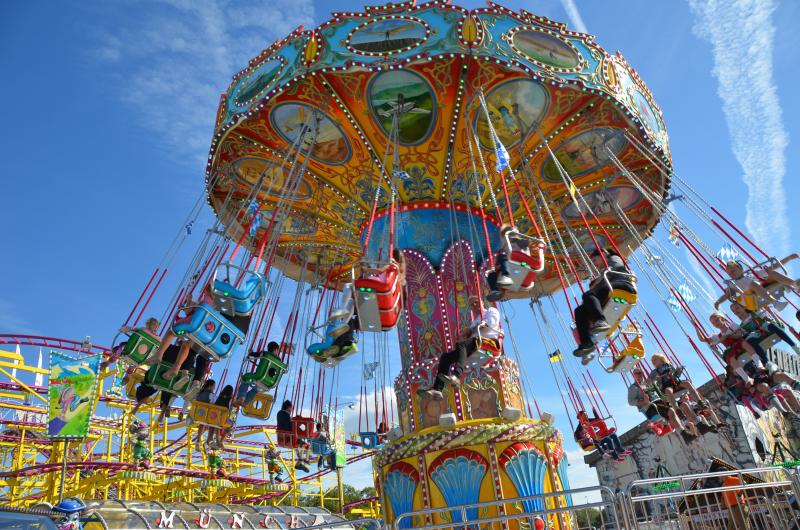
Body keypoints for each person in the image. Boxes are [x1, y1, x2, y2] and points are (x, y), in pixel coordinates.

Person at [417, 295, 502, 400]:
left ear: (481, 302)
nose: (474, 305)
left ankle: (456, 375)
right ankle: (437, 389)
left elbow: (491, 322)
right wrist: (465, 334)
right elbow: (470, 334)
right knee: (446, 357)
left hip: (489, 342)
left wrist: (472, 330)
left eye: (476, 302)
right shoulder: (475, 321)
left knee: (461, 345)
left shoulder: (490, 311)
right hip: (477, 343)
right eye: (471, 304)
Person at [573, 248, 637, 358]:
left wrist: (597, 281)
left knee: (588, 295)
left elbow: (615, 268)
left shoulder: (613, 258)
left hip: (622, 284)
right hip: (611, 288)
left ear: (602, 254)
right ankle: (587, 343)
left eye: (594, 260)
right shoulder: (604, 271)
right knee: (579, 311)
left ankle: (600, 321)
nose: (595, 264)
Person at [150, 285, 217, 379]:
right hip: (203, 330)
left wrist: (188, 301)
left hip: (193, 323)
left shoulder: (205, 300)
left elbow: (189, 311)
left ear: (207, 291)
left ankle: (159, 354)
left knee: (171, 331)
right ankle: (176, 368)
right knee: (186, 345)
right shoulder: (217, 307)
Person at [648, 353, 720, 429]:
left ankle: (700, 401)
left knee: (687, 383)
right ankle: (677, 410)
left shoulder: (668, 365)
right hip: (666, 385)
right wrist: (654, 379)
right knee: (668, 391)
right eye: (653, 361)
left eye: (655, 359)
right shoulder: (654, 372)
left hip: (676, 382)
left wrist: (678, 370)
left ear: (660, 358)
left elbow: (676, 375)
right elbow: (649, 382)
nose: (654, 361)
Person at [628, 367, 693, 441]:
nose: (640, 374)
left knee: (682, 405)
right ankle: (683, 433)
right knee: (671, 410)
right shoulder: (633, 388)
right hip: (650, 407)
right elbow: (631, 402)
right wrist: (643, 401)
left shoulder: (647, 383)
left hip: (660, 402)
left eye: (641, 373)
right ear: (634, 375)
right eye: (637, 373)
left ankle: (693, 424)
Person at [714, 259, 798, 311]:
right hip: (751, 300)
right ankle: (775, 303)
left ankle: (795, 284)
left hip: (761, 289)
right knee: (753, 284)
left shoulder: (751, 274)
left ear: (740, 269)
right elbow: (726, 295)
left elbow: (773, 267)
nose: (731, 274)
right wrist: (718, 302)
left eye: (733, 271)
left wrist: (790, 257)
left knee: (770, 272)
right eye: (729, 273)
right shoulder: (734, 284)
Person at [730, 302, 800, 362]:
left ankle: (794, 346)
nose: (736, 312)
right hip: (757, 336)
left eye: (737, 308)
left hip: (765, 329)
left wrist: (770, 316)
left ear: (743, 307)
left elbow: (767, 319)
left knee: (769, 325)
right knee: (750, 339)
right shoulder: (742, 326)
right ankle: (766, 362)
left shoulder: (755, 313)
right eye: (734, 311)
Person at [233, 341, 281, 408]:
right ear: (276, 349)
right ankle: (245, 402)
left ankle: (241, 397)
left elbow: (255, 355)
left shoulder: (265, 353)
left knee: (245, 378)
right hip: (270, 383)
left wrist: (251, 353)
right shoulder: (279, 361)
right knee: (256, 389)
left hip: (259, 377)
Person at [276, 400, 311, 472]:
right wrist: (297, 421)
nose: (291, 410)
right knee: (307, 446)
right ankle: (301, 461)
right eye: (291, 408)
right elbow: (290, 425)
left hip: (282, 438)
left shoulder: (279, 413)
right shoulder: (286, 414)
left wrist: (293, 419)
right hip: (289, 438)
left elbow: (286, 423)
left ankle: (302, 459)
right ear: (288, 407)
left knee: (298, 444)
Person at [193, 380, 216, 451]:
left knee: (202, 423)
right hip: (207, 415)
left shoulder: (199, 393)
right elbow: (215, 403)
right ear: (210, 386)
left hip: (198, 414)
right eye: (213, 387)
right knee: (214, 423)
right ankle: (210, 439)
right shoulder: (211, 395)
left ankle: (198, 440)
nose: (214, 388)